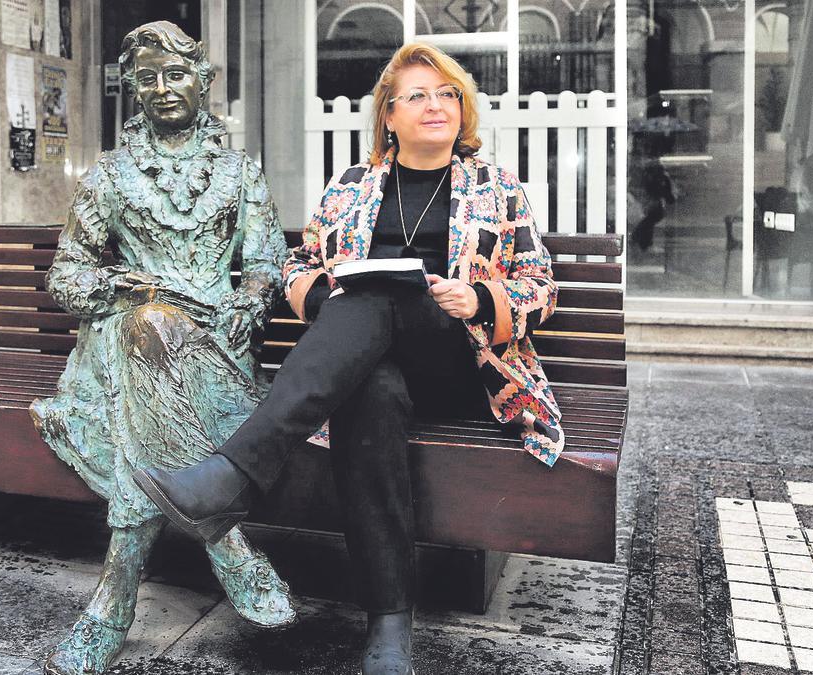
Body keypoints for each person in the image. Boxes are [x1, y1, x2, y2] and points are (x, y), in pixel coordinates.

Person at [134, 43, 563, 675]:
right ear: (389, 115)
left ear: (462, 109)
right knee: (372, 388)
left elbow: (540, 285)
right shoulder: (352, 186)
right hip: (366, 365)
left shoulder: (497, 188)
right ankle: (388, 628)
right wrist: (324, 293)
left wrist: (476, 297)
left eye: (447, 94)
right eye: (417, 95)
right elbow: (299, 264)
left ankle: (233, 474)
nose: (435, 105)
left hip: (457, 362)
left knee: (379, 300)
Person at [28, 21, 293, 675]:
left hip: (212, 357)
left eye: (176, 74)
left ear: (203, 83)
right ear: (133, 90)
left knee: (154, 338)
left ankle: (114, 602)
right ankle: (227, 546)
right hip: (118, 354)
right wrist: (118, 281)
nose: (162, 87)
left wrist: (248, 299)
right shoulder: (112, 176)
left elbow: (268, 264)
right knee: (144, 324)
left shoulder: (239, 174)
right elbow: (67, 275)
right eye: (147, 78)